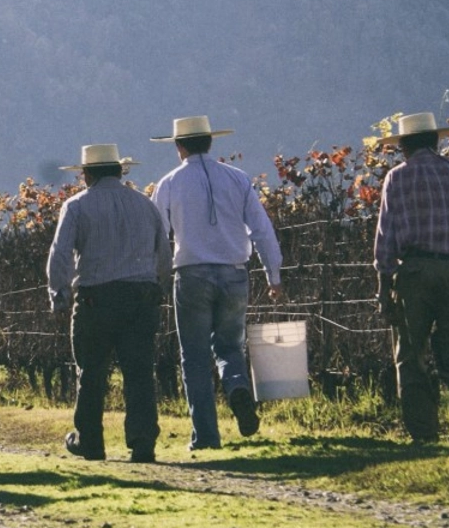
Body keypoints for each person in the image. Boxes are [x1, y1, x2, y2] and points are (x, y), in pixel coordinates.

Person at [151, 116, 283, 451]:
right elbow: (261, 229)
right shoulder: (237, 178)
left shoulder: (169, 183)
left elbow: (157, 237)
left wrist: (157, 279)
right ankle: (237, 387)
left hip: (191, 274)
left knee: (194, 357)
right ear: (210, 142)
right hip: (234, 272)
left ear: (179, 146)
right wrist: (273, 274)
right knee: (230, 347)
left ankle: (207, 436)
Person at [373, 112, 449, 448]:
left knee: (411, 356)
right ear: (435, 141)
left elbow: (386, 239)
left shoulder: (398, 177)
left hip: (415, 274)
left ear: (403, 146)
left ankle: (424, 435)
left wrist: (384, 289)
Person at [47, 144, 171, 463]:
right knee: (139, 372)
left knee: (91, 373)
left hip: (95, 298)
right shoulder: (145, 205)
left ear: (86, 175)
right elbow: (164, 253)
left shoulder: (76, 206)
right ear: (120, 171)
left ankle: (90, 441)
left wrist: (59, 296)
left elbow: (60, 254)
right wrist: (159, 288)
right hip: (140, 296)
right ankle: (143, 442)